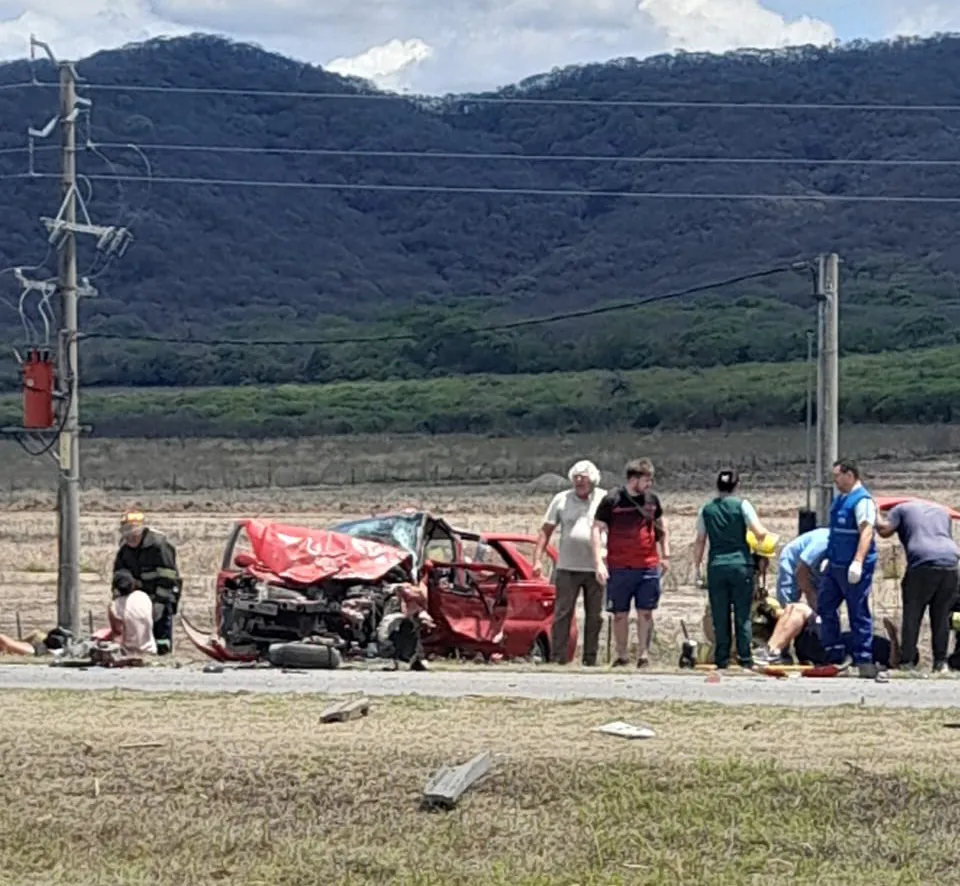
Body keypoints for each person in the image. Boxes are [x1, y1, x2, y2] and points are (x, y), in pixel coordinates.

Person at [592, 458, 669, 668]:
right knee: (620, 614)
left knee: (646, 611)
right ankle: (622, 655)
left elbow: (662, 526)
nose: (649, 485)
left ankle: (643, 655)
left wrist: (666, 555)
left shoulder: (652, 500)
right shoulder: (612, 499)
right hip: (619, 566)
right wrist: (599, 561)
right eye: (646, 480)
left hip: (647, 565)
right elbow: (597, 528)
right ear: (633, 479)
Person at [692, 468, 770, 672]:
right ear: (736, 485)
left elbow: (700, 540)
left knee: (720, 614)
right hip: (741, 564)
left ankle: (722, 658)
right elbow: (759, 531)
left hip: (716, 565)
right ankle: (745, 658)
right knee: (742, 614)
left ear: (717, 486)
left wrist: (697, 567)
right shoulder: (742, 505)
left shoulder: (706, 509)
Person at [533, 460, 606, 665]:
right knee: (562, 613)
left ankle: (590, 659)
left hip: (596, 568)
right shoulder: (561, 499)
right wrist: (537, 559)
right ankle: (557, 658)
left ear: (593, 480)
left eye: (583, 478)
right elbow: (545, 531)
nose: (579, 481)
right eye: (575, 478)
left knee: (595, 616)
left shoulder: (605, 498)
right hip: (566, 567)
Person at [876, 499, 960, 673]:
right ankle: (940, 663)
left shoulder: (899, 509)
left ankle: (907, 663)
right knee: (942, 615)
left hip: (923, 561)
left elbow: (885, 531)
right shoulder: (940, 510)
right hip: (951, 561)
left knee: (913, 613)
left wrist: (875, 514)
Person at [819, 459, 879, 678]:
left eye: (837, 476)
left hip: (853, 567)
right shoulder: (839, 501)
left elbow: (866, 533)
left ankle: (864, 659)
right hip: (835, 566)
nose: (835, 481)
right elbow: (835, 533)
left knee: (858, 611)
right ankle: (834, 655)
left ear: (850, 475)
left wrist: (858, 562)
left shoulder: (862, 501)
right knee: (825, 606)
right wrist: (828, 557)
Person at [754, 599, 906, 670]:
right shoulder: (877, 642)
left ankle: (772, 653)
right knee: (792, 608)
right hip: (828, 643)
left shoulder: (887, 650)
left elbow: (894, 663)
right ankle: (772, 650)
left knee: (800, 609)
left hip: (829, 650)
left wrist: (893, 638)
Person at [113, 510, 182, 655]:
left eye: (132, 532)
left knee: (161, 630)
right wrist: (119, 597)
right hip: (139, 599)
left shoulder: (159, 545)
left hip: (161, 595)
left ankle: (163, 656)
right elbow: (118, 574)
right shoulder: (124, 550)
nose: (130, 536)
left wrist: (160, 603)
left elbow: (168, 577)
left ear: (140, 530)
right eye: (126, 532)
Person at [108, 569, 158, 655]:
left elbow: (118, 635)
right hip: (150, 651)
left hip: (129, 654)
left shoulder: (114, 606)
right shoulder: (144, 597)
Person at [775, 527, 829, 607]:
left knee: (822, 601)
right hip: (793, 559)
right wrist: (810, 593)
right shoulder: (821, 544)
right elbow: (800, 571)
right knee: (788, 604)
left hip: (815, 564)